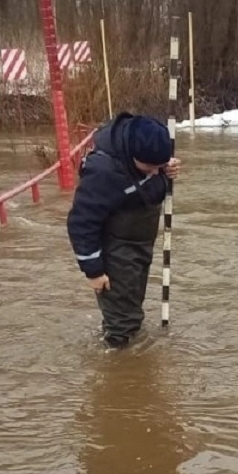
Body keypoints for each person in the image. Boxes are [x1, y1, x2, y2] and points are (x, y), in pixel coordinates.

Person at [67, 112, 180, 349]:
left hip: (140, 246)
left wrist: (166, 172)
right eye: (150, 167)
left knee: (131, 310)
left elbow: (150, 184)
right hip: (116, 252)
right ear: (133, 155)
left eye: (160, 166)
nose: (155, 172)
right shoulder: (103, 173)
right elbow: (81, 223)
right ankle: (117, 363)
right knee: (123, 323)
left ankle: (123, 348)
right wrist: (94, 272)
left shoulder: (147, 155)